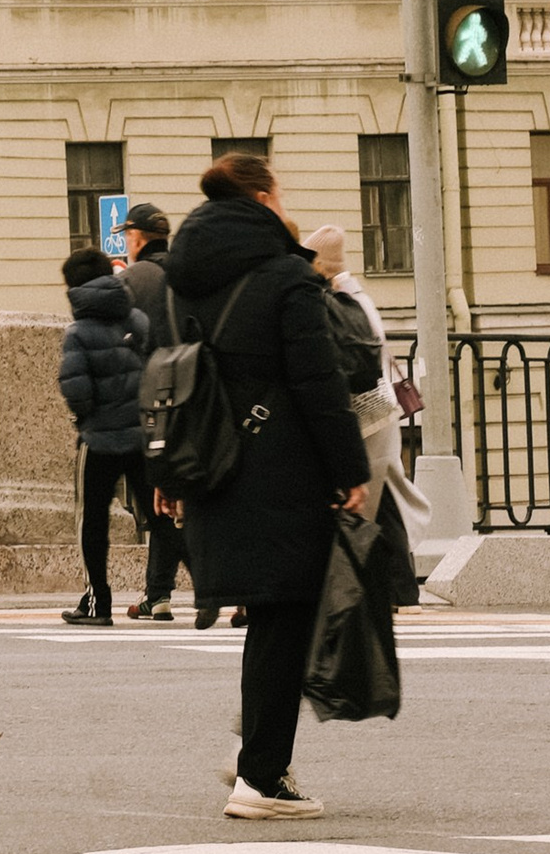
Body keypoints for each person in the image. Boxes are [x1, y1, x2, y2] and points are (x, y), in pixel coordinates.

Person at [156, 148, 370, 819]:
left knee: (271, 620)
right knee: (286, 616)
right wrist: (348, 471)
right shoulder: (287, 277)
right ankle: (262, 776)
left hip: (212, 464)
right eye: (279, 193)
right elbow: (318, 383)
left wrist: (163, 472)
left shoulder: (179, 277)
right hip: (281, 466)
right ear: (262, 199)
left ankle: (259, 761)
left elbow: (164, 374)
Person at [302, 221, 431, 550]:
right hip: (377, 413)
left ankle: (399, 591)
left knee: (378, 505)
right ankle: (401, 592)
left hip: (365, 415)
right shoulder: (358, 299)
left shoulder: (341, 303)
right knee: (384, 501)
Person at [56, 245, 149, 627]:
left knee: (91, 523)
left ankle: (97, 604)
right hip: (143, 436)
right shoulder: (138, 320)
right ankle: (209, 590)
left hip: (99, 440)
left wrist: (86, 417)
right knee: (160, 516)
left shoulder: (78, 332)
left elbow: (76, 389)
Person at [114, 202, 188, 622]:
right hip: (195, 395)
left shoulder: (132, 279)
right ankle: (161, 592)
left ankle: (161, 593)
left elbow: (118, 338)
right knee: (187, 492)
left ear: (137, 238)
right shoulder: (188, 273)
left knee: (158, 497)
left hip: (150, 403)